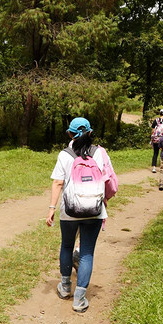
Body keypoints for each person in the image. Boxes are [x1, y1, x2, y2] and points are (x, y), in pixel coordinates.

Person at [45, 117, 114, 313]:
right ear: (90, 133)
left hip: (69, 210)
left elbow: (58, 183)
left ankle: (65, 287)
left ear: (69, 134)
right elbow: (108, 179)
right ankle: (79, 299)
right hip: (94, 209)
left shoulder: (64, 155)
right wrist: (105, 199)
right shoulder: (100, 152)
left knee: (67, 246)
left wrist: (51, 208)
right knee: (86, 253)